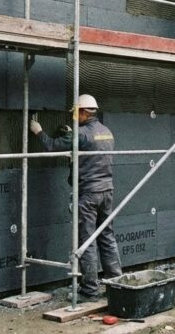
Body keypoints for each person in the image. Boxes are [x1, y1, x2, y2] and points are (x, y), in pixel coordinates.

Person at [30, 94, 122, 300]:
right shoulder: (106, 132)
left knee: (87, 241)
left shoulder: (80, 135)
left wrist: (38, 131)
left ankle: (89, 289)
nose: (74, 117)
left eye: (75, 114)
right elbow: (90, 146)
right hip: (107, 191)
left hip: (88, 193)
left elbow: (52, 146)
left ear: (82, 112)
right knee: (107, 237)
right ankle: (115, 283)